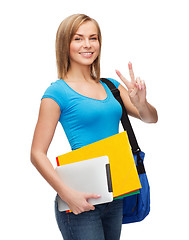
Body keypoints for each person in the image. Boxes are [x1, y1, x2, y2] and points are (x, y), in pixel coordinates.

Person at [30, 13, 158, 240]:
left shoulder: (111, 86)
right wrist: (67, 194)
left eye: (93, 38)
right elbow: (37, 154)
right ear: (65, 44)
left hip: (116, 195)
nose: (88, 45)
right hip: (80, 199)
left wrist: (141, 103)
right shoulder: (56, 92)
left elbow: (150, 118)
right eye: (78, 38)